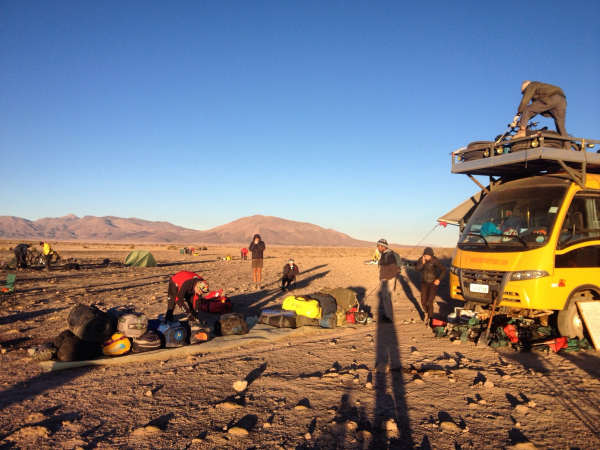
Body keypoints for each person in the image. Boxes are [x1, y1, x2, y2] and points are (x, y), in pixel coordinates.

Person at [415, 247, 447, 327]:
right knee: (423, 301)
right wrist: (422, 263)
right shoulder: (421, 260)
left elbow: (443, 270)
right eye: (425, 255)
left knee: (429, 302)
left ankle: (431, 318)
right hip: (424, 283)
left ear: (431, 255)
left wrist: (439, 279)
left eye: (428, 256)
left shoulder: (435, 260)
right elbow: (417, 269)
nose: (427, 257)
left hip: (433, 283)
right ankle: (426, 313)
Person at [376, 239, 402, 322]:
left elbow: (394, 269)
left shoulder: (389, 255)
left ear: (383, 246)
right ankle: (387, 315)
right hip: (386, 279)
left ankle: (389, 317)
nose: (377, 248)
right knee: (385, 298)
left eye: (378, 246)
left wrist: (386, 278)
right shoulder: (385, 254)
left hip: (388, 280)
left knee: (386, 298)